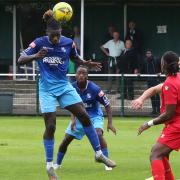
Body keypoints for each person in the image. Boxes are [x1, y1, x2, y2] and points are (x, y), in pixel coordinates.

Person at [17, 10, 116, 180]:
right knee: (51, 126)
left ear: (61, 33)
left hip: (64, 87)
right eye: (53, 36)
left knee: (84, 116)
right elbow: (20, 59)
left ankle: (99, 154)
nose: (55, 38)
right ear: (47, 33)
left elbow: (74, 58)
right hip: (47, 89)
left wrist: (85, 63)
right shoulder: (39, 43)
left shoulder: (69, 43)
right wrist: (35, 56)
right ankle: (49, 167)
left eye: (58, 35)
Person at [54, 66, 117, 171]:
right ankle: (57, 164)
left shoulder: (95, 89)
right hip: (79, 117)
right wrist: (73, 120)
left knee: (98, 134)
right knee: (66, 140)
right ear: (76, 75)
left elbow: (107, 105)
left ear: (87, 75)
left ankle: (106, 163)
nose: (81, 75)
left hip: (95, 116)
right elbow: (71, 105)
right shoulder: (71, 88)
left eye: (84, 73)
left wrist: (110, 123)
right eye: (79, 73)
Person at [132, 51, 180, 180]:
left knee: (156, 154)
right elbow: (153, 89)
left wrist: (148, 124)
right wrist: (141, 99)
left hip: (177, 126)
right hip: (174, 125)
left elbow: (169, 114)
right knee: (161, 154)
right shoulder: (176, 78)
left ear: (164, 64)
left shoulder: (170, 84)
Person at [141, 49, 161, 115]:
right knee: (151, 95)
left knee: (157, 96)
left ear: (151, 53)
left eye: (149, 53)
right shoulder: (145, 61)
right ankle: (154, 110)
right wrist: (139, 72)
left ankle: (158, 110)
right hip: (149, 80)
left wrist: (159, 73)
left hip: (156, 80)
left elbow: (160, 68)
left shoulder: (156, 60)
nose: (148, 54)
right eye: (147, 53)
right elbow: (143, 70)